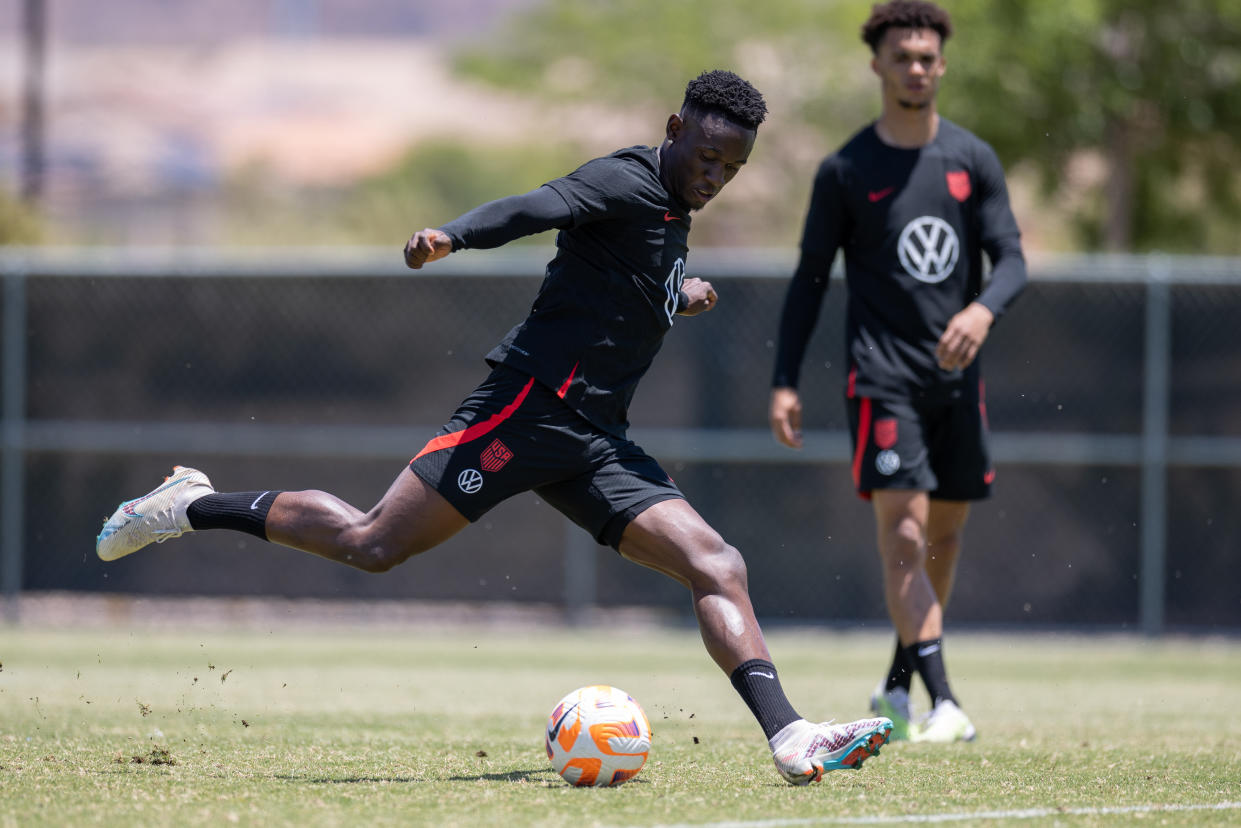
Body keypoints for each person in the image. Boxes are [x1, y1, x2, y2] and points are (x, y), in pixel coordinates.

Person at [97, 70, 891, 784]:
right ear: (675, 128)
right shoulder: (622, 179)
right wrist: (454, 235)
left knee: (716, 563)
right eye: (706, 156)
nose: (713, 176)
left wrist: (677, 291)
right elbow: (536, 206)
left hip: (595, 440)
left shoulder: (671, 217)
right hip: (526, 409)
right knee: (372, 544)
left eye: (730, 168)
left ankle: (790, 737)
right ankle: (189, 504)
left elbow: (625, 276)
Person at [769, 1, 1027, 744]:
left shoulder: (971, 160)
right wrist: (785, 379)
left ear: (941, 64)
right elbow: (809, 280)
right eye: (901, 55)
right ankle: (944, 702)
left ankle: (893, 687)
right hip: (880, 380)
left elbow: (1010, 258)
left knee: (942, 538)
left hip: (956, 383)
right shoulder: (845, 170)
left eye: (925, 56)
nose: (915, 67)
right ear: (876, 65)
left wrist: (981, 313)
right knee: (905, 537)